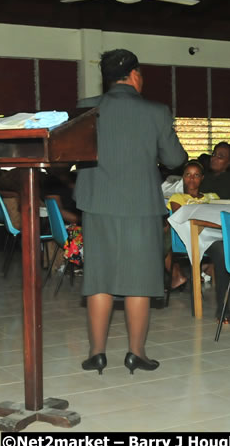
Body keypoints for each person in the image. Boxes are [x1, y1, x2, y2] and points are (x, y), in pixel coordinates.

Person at [75, 49, 187, 375]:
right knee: (139, 281)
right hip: (141, 205)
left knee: (99, 279)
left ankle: (96, 353)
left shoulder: (85, 108)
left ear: (107, 78)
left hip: (97, 202)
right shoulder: (156, 111)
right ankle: (136, 353)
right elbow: (175, 159)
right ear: (135, 75)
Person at [166, 161, 219, 290]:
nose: (191, 179)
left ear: (202, 178)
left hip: (213, 234)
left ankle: (207, 270)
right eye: (188, 175)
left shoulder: (212, 197)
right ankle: (185, 273)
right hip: (187, 236)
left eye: (196, 175)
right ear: (183, 177)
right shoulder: (177, 197)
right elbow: (181, 219)